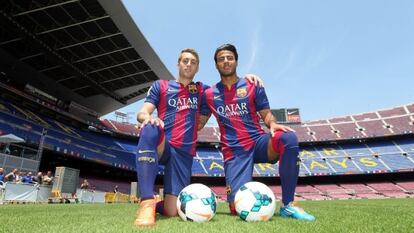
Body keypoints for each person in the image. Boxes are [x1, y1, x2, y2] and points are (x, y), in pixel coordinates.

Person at [134, 48, 262, 227]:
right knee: (149, 128)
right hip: (163, 144)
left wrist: (248, 78)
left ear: (197, 68)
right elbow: (142, 112)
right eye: (185, 61)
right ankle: (146, 202)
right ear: (178, 63)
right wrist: (148, 118)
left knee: (172, 211)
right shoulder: (161, 85)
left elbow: (223, 94)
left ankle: (157, 204)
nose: (189, 64)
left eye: (193, 62)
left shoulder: (203, 91)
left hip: (183, 152)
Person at [199, 44, 315, 221]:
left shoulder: (252, 85)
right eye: (221, 59)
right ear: (216, 65)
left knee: (288, 138)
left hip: (258, 142)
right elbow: (199, 124)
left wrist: (273, 124)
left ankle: (288, 205)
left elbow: (266, 113)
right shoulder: (209, 94)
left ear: (236, 61)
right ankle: (236, 199)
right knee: (236, 208)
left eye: (229, 57)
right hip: (234, 152)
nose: (226, 61)